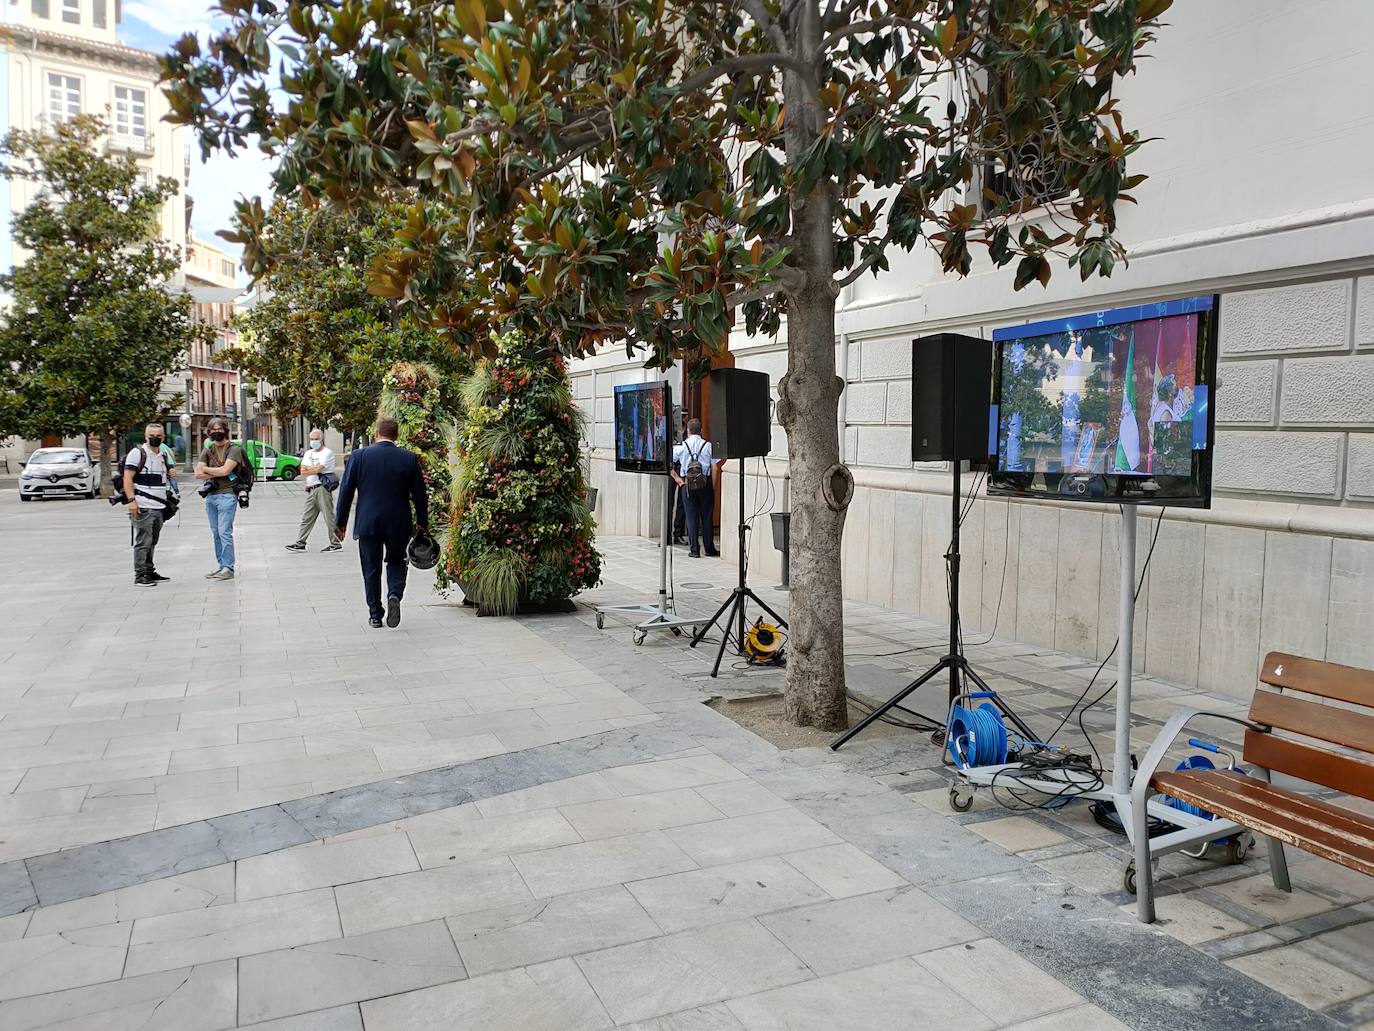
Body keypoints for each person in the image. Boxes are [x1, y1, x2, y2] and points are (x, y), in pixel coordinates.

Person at [334, 416, 429, 628]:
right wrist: (423, 523)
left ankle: (375, 614)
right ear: (397, 436)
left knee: (371, 567)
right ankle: (394, 595)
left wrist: (340, 523)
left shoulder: (359, 456)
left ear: (376, 434)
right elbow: (420, 495)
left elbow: (346, 492)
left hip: (368, 522)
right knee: (396, 561)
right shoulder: (408, 458)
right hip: (398, 522)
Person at [194, 417, 246, 581]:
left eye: (219, 429)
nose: (216, 432)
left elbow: (225, 471)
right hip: (211, 496)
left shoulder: (234, 449)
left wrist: (208, 471)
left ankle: (228, 567)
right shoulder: (208, 450)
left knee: (225, 532)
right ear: (208, 433)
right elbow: (197, 473)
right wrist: (216, 470)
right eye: (213, 430)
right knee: (216, 533)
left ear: (226, 430)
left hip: (227, 494)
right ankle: (221, 565)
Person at [124, 422, 172, 586]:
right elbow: (127, 478)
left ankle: (149, 570)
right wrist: (132, 501)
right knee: (143, 541)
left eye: (158, 436)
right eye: (151, 435)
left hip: (159, 506)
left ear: (163, 437)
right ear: (146, 436)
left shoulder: (163, 456)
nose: (155, 438)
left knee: (152, 541)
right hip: (143, 504)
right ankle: (141, 574)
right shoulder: (137, 454)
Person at [285, 428, 341, 553]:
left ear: (322, 440)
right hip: (311, 488)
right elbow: (302, 471)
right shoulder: (308, 453)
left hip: (323, 488)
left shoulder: (327, 453)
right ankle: (300, 542)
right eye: (311, 439)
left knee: (329, 516)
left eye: (316, 439)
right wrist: (312, 469)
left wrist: (311, 469)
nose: (313, 441)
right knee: (307, 517)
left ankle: (335, 542)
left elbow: (317, 470)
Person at [672, 418, 718, 558]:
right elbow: (715, 467)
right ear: (701, 430)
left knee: (691, 518)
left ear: (688, 431)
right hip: (705, 484)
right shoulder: (708, 446)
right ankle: (709, 549)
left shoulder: (681, 446)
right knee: (706, 517)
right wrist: (712, 486)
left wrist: (679, 480)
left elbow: (668, 464)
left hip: (687, 485)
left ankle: (694, 550)